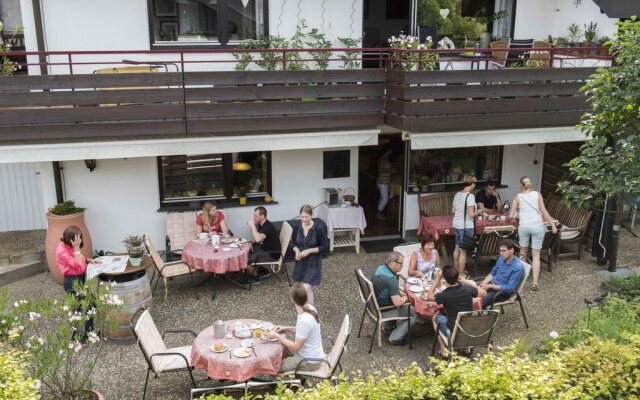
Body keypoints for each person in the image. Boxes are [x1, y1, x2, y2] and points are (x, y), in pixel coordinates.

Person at [508, 176, 557, 291]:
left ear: (521, 186)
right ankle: (535, 283)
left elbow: (511, 217)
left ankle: (518, 281)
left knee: (523, 253)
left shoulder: (517, 197)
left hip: (524, 227)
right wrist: (553, 225)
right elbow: (544, 211)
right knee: (536, 255)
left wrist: (513, 217)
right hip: (537, 226)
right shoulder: (537, 194)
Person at [265, 283, 326, 373]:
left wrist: (277, 336)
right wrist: (286, 328)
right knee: (281, 347)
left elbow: (296, 347)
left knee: (273, 367)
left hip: (309, 361)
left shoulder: (304, 320)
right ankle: (294, 380)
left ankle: (291, 384)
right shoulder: (310, 308)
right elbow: (304, 332)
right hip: (313, 355)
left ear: (293, 300)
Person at [427, 265, 486, 356]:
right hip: (469, 328)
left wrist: (437, 279)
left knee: (435, 317)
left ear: (445, 279)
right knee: (459, 318)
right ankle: (466, 348)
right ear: (457, 276)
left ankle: (444, 349)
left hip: (453, 331)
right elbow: (484, 292)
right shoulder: (467, 289)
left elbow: (429, 296)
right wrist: (465, 281)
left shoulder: (445, 294)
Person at [55, 225, 102, 337]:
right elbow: (75, 264)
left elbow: (78, 260)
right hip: (72, 281)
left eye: (80, 238)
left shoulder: (71, 246)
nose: (80, 241)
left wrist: (87, 260)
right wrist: (76, 248)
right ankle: (87, 334)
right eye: (78, 239)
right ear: (70, 239)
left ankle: (77, 334)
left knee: (82, 307)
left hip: (80, 278)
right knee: (86, 306)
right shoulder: (61, 251)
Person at [371, 251, 419, 345]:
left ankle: (388, 327)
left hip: (374, 305)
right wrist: (405, 297)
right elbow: (397, 303)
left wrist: (398, 291)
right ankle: (395, 338)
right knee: (416, 312)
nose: (402, 266)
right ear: (393, 262)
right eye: (401, 263)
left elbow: (389, 289)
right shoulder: (391, 279)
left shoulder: (381, 268)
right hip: (384, 310)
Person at [292, 205, 328, 306]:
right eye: (302, 217)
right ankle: (302, 307)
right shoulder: (297, 227)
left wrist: (309, 251)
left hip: (314, 262)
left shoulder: (319, 228)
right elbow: (293, 243)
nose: (304, 219)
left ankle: (312, 312)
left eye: (306, 217)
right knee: (300, 286)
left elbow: (325, 247)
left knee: (307, 287)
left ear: (311, 215)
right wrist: (296, 251)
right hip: (301, 262)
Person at [479, 239, 525, 308]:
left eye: (503, 251)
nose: (501, 253)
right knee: (470, 293)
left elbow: (510, 288)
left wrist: (490, 286)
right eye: (500, 251)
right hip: (491, 285)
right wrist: (483, 284)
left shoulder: (517, 268)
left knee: (479, 301)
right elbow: (492, 274)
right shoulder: (501, 258)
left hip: (501, 292)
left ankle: (480, 316)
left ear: (512, 250)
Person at [452, 174, 481, 276]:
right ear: (472, 183)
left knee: (457, 247)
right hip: (466, 226)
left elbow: (453, 210)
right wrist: (479, 212)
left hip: (456, 224)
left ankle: (456, 269)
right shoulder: (470, 196)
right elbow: (471, 214)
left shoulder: (457, 194)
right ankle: (460, 274)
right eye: (475, 183)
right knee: (463, 251)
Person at [244, 206, 281, 284]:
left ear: (263, 216)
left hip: (272, 254)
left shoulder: (268, 226)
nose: (253, 217)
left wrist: (252, 226)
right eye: (254, 215)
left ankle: (255, 277)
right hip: (266, 249)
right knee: (249, 252)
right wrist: (251, 242)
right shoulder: (262, 223)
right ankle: (263, 270)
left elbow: (258, 239)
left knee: (244, 260)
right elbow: (257, 239)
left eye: (255, 216)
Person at [376, 145, 393, 221]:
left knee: (382, 198)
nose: (391, 152)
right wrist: (390, 171)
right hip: (383, 182)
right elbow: (380, 170)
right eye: (390, 150)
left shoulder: (384, 158)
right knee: (385, 199)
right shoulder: (383, 159)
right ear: (388, 151)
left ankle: (379, 213)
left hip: (383, 181)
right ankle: (378, 214)